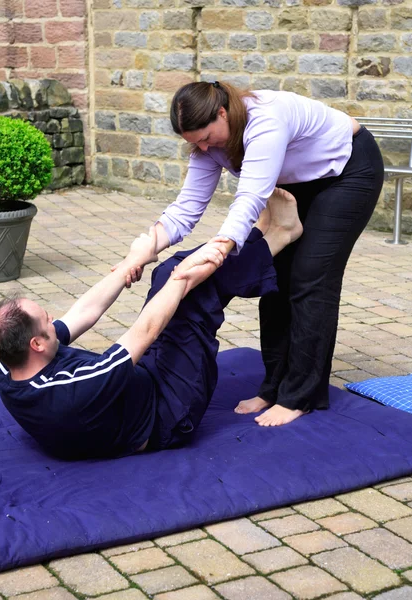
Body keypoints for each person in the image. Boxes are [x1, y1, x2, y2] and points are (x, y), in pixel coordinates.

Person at [126, 80, 384, 427]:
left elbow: (249, 199)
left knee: (310, 278)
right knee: (274, 275)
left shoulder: (264, 120)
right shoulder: (207, 143)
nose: (203, 147)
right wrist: (145, 248)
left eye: (206, 137)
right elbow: (187, 207)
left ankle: (299, 397)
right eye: (195, 143)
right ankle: (273, 387)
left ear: (222, 113)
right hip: (297, 182)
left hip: (348, 172)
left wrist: (215, 254)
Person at [0, 192, 302, 460]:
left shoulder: (9, 360)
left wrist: (128, 266)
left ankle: (258, 237)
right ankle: (280, 234)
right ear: (35, 344)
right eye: (47, 322)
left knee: (167, 273)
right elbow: (144, 332)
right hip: (169, 413)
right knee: (190, 285)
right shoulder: (73, 391)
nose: (54, 321)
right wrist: (185, 276)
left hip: (137, 387)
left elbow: (84, 311)